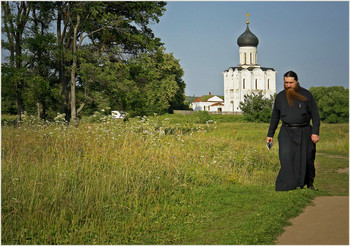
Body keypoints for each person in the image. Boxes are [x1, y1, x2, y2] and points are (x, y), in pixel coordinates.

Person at [266, 71, 320, 191]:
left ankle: (308, 183)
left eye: (291, 83)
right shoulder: (280, 97)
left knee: (307, 159)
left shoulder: (306, 95)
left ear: (297, 81)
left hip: (305, 131)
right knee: (286, 157)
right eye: (286, 83)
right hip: (286, 132)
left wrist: (315, 132)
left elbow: (315, 115)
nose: (288, 85)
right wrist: (270, 134)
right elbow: (275, 117)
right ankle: (287, 185)